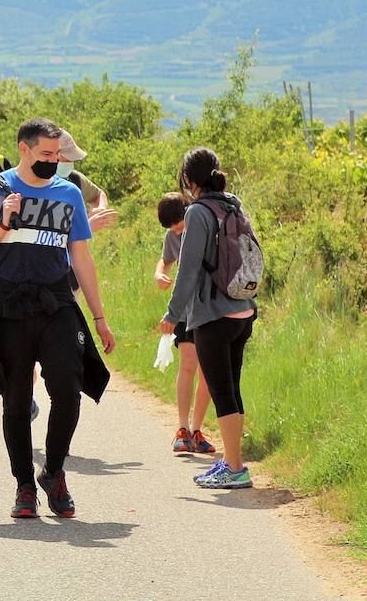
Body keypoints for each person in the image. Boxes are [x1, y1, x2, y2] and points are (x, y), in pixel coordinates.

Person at [0, 118, 116, 520]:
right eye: (46, 154)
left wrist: (99, 318)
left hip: (56, 302)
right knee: (15, 400)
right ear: (24, 150)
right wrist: (2, 224)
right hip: (9, 303)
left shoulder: (69, 194)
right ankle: (24, 486)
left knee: (68, 389)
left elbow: (80, 256)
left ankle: (53, 471)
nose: (54, 161)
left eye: (57, 154)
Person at [161, 147, 258, 490]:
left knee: (222, 392)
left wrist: (172, 316)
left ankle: (235, 467)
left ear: (188, 180)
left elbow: (187, 272)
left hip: (213, 316)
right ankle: (232, 461)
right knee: (230, 388)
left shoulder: (198, 213)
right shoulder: (234, 204)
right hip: (243, 310)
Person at [155, 193, 216, 455]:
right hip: (184, 310)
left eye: (180, 226)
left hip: (211, 307)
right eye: (173, 229)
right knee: (188, 365)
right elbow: (166, 260)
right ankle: (181, 429)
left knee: (207, 372)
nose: (178, 232)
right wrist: (159, 273)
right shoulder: (173, 236)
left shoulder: (204, 225)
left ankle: (197, 429)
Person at [56, 130, 118, 232]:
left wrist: (100, 208)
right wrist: (87, 228)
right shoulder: (35, 182)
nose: (69, 163)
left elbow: (98, 194)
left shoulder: (76, 179)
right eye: (66, 159)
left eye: (72, 159)